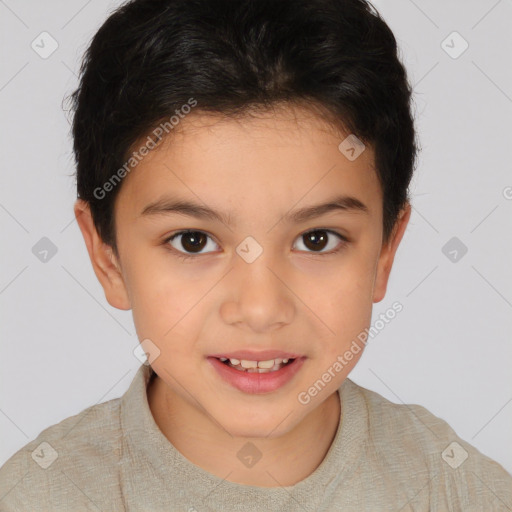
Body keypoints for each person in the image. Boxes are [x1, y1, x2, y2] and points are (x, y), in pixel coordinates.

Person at [1, 0, 511, 510]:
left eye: (317, 239)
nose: (261, 309)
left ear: (384, 251)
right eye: (192, 240)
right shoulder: (38, 495)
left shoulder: (457, 490)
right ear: (107, 257)